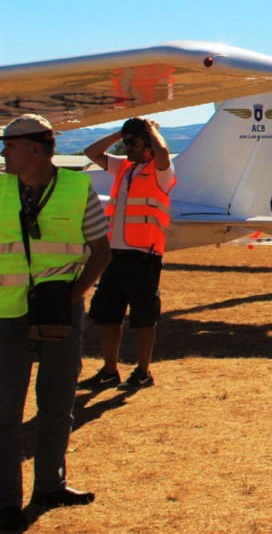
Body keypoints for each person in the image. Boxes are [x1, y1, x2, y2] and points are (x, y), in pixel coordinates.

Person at [1, 114, 112, 532]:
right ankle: (6, 502)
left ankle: (50, 484)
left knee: (57, 406)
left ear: (33, 148)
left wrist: (70, 298)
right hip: (6, 313)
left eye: (8, 145)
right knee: (5, 414)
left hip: (61, 315)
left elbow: (101, 253)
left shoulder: (76, 187)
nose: (3, 153)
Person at [82, 117, 175, 392]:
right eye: (127, 142)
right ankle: (110, 371)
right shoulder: (123, 167)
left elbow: (164, 153)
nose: (128, 147)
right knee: (108, 315)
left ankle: (143, 372)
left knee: (144, 317)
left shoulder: (161, 171)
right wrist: (118, 133)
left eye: (133, 143)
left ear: (148, 146)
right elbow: (91, 153)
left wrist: (153, 131)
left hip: (144, 255)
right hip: (115, 255)